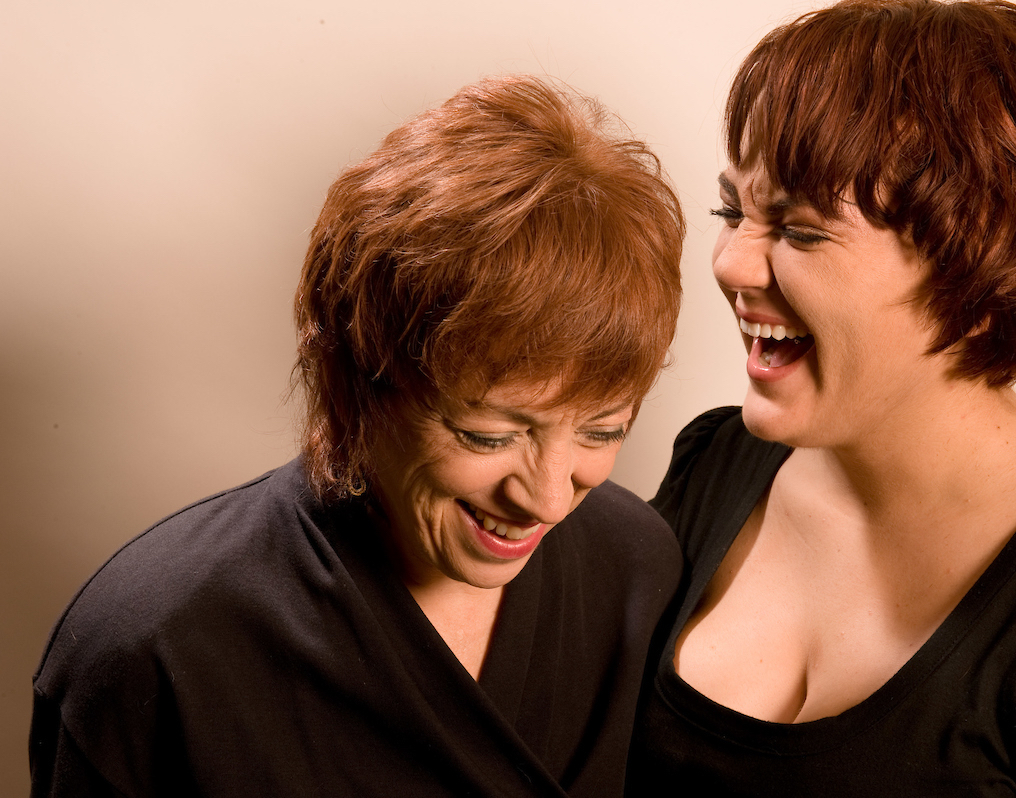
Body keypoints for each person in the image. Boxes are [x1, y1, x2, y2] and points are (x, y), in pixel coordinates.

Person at [30, 75, 685, 796]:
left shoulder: (637, 569)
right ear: (354, 386)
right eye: (489, 436)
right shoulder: (149, 645)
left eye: (603, 429)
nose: (549, 499)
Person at [625, 1, 1016, 795]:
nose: (730, 263)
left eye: (799, 230)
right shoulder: (715, 463)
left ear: (979, 267)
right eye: (735, 210)